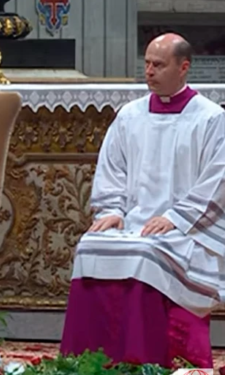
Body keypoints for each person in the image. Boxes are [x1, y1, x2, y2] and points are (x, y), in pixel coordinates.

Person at [60, 33, 225, 367]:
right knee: (90, 246)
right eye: (147, 63)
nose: (149, 71)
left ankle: (142, 361)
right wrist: (112, 210)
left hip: (185, 229)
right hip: (134, 223)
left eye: (158, 65)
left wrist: (177, 218)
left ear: (184, 67)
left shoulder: (211, 118)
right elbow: (112, 168)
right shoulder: (130, 115)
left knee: (145, 254)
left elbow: (217, 179)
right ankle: (85, 363)